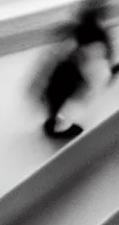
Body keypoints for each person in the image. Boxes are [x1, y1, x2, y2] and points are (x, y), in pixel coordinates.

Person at [36, 8, 114, 139]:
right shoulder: (75, 58)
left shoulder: (77, 51)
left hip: (64, 81)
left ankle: (56, 122)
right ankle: (57, 125)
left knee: (62, 98)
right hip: (64, 83)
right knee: (63, 98)